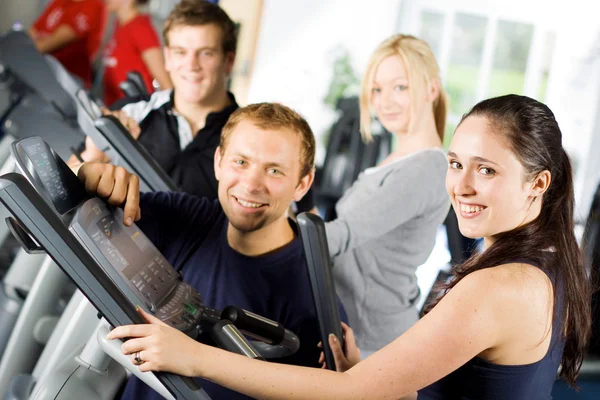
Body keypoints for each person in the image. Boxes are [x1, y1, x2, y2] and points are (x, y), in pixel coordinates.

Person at [103, 94, 591, 399]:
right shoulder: (529, 263)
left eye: (486, 170)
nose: (461, 186)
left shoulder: (503, 284)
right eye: (456, 163)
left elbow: (351, 393)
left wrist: (192, 356)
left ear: (537, 183)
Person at [77, 102, 348, 400]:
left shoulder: (312, 299)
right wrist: (87, 173)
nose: (251, 184)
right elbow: (55, 212)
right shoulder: (189, 217)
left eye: (274, 170)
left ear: (302, 184)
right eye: (241, 162)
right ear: (219, 161)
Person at [323, 34, 450, 357]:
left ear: (431, 90)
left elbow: (343, 234)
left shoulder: (426, 168)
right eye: (377, 90)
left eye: (400, 87)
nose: (385, 101)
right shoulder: (397, 161)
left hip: (374, 342)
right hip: (358, 330)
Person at [71, 0, 239, 199]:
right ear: (167, 57)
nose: (192, 65)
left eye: (206, 53)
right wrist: (94, 157)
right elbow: (62, 179)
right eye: (180, 52)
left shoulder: (246, 136)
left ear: (228, 61)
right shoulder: (132, 112)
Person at [101, 0, 172, 106]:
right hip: (117, 107)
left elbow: (164, 81)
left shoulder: (140, 28)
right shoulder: (119, 24)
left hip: (135, 111)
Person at [29, 0, 107, 87]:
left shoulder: (94, 4)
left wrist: (26, 49)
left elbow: (56, 41)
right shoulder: (60, 1)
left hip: (69, 81)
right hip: (42, 72)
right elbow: (34, 30)